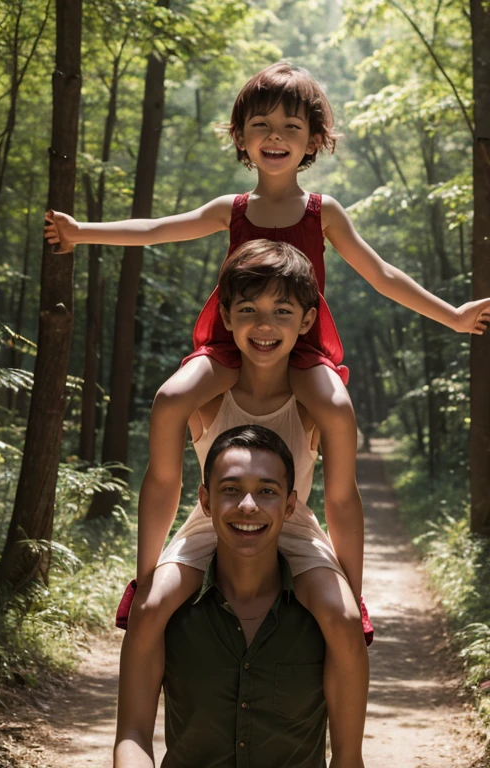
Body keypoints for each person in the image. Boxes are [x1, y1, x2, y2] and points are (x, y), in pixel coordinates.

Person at [44, 62, 490, 604]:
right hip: (232, 343)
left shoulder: (323, 212)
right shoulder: (232, 211)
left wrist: (455, 315)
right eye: (260, 124)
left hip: (300, 348)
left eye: (291, 127)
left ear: (314, 141)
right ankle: (144, 578)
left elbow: (383, 274)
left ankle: (352, 592)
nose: (275, 136)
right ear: (240, 136)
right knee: (170, 398)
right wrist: (80, 232)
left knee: (338, 410)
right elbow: (157, 229)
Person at [115, 240, 368, 768]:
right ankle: (132, 737)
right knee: (155, 608)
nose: (265, 324)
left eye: (282, 310)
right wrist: (144, 580)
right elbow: (164, 483)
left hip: (291, 520)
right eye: (248, 309)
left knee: (341, 622)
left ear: (306, 321)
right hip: (212, 520)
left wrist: (351, 590)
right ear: (226, 316)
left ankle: (349, 757)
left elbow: (342, 499)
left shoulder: (321, 398)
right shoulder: (200, 390)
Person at [116, 424, 333, 768]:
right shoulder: (167, 614)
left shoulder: (324, 620)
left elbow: (349, 758)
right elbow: (133, 735)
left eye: (267, 491)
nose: (248, 506)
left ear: (290, 505)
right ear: (205, 501)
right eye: (231, 489)